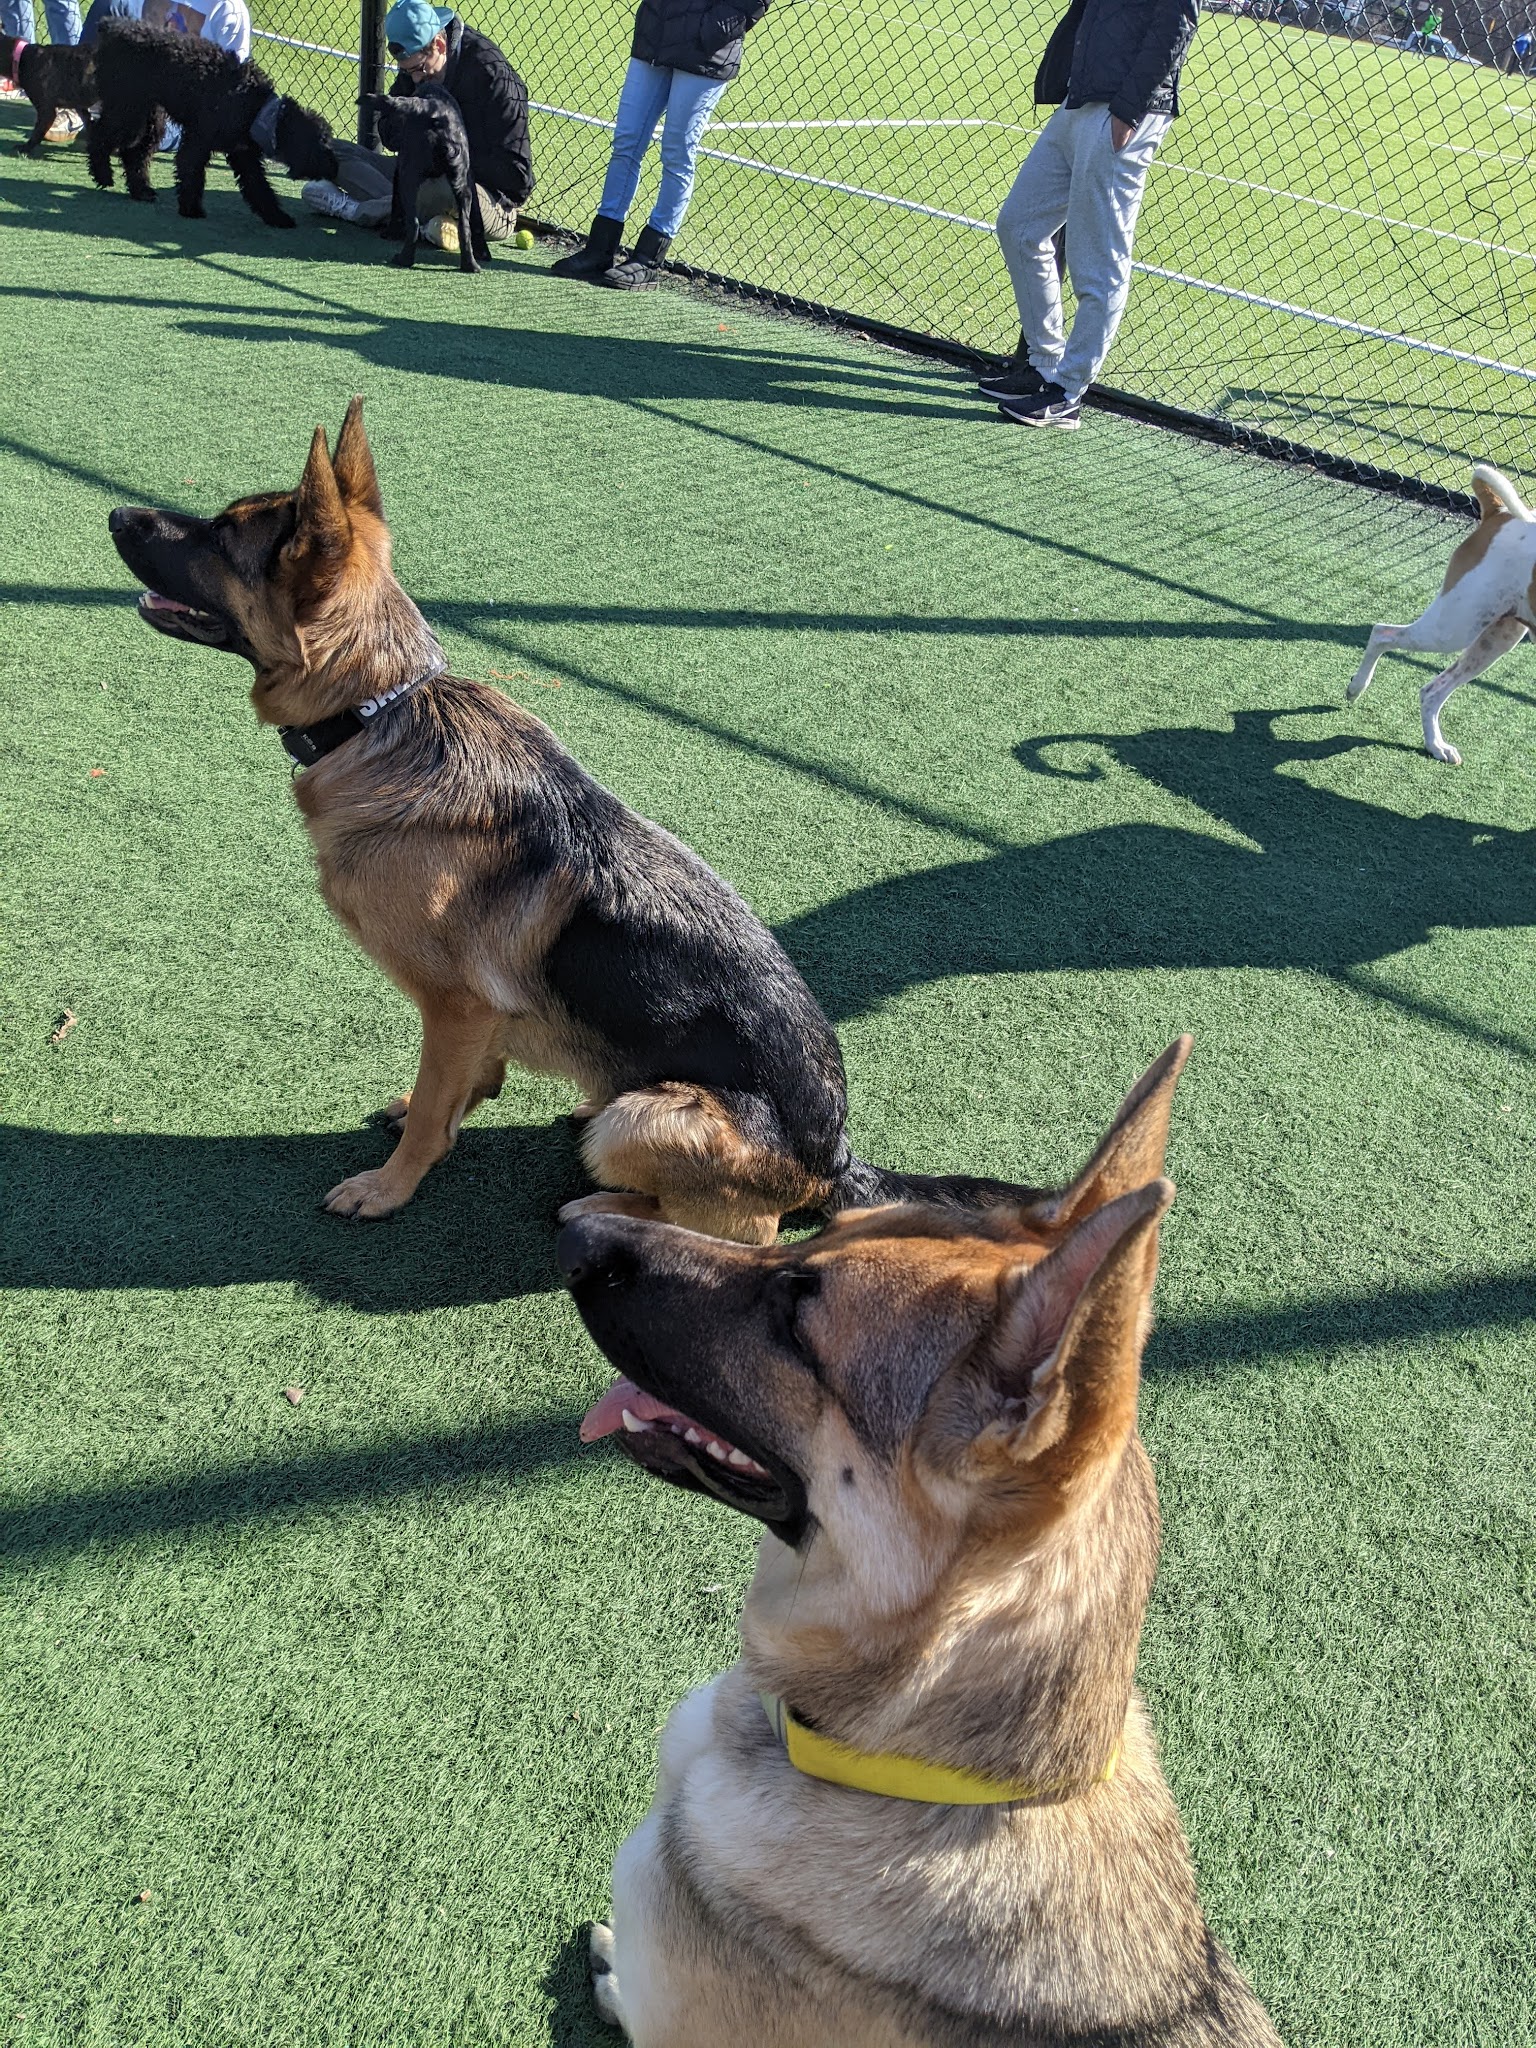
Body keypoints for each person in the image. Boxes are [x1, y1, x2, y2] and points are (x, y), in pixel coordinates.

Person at [981, 0, 1199, 430]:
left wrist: (1129, 109)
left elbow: (1178, 21)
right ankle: (1044, 363)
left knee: (1097, 260)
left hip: (1126, 112)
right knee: (1020, 227)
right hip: (1080, 98)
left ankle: (1068, 392)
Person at [550, 0, 772, 290]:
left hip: (706, 51)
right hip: (656, 36)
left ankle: (649, 260)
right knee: (627, 141)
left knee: (677, 151)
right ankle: (599, 249)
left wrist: (715, 28)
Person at [303, 0, 531, 253]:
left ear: (440, 45)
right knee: (328, 151)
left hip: (487, 200)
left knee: (445, 187)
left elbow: (518, 180)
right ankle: (430, 225)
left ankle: (355, 210)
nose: (415, 78)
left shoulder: (492, 76)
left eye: (419, 69)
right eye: (407, 71)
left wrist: (447, 153)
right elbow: (387, 132)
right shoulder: (417, 68)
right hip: (424, 178)